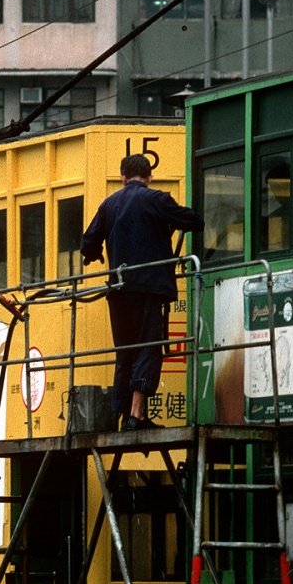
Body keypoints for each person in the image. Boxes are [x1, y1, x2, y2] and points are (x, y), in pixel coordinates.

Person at [82, 153, 204, 431]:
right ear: (149, 177)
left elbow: (88, 243)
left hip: (118, 288)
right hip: (149, 287)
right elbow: (194, 221)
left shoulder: (108, 205)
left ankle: (119, 415)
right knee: (148, 346)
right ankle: (136, 416)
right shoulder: (156, 199)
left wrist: (97, 254)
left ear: (123, 177)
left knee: (125, 351)